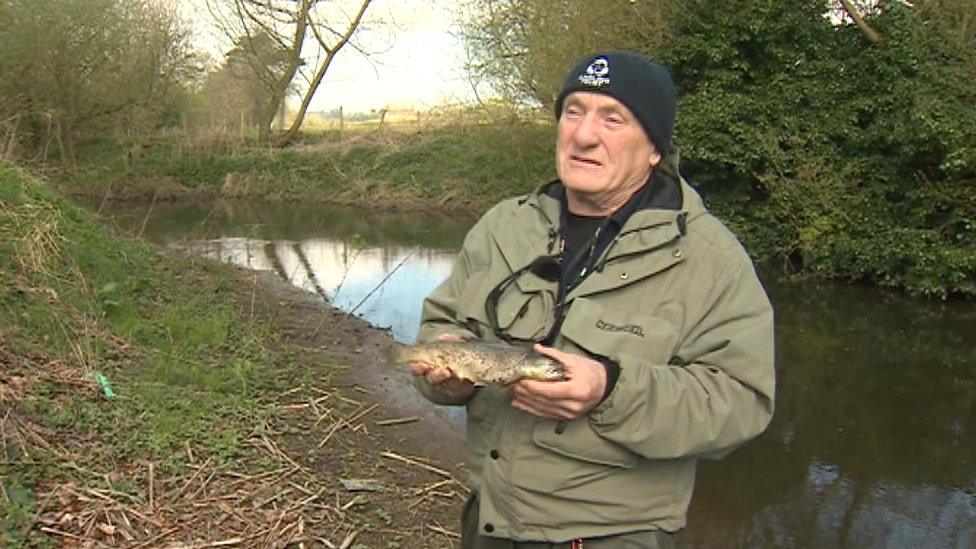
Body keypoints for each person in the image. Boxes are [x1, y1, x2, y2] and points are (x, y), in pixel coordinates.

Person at [410, 50, 775, 548]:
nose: (583, 135)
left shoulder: (711, 260)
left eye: (613, 118)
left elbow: (742, 403)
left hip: (614, 536)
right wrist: (448, 379)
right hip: (489, 524)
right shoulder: (502, 227)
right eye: (574, 111)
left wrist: (611, 389)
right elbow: (441, 327)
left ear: (654, 148)